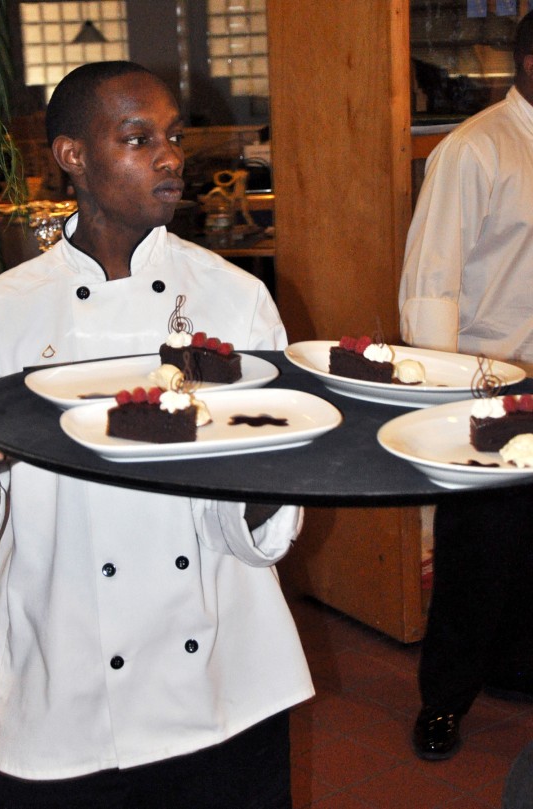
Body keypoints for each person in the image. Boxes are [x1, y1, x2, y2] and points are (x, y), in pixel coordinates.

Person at [0, 61, 314, 808]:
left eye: (174, 135)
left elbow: (271, 506)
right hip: (73, 685)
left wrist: (271, 461)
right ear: (73, 157)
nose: (170, 156)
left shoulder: (236, 299)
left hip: (226, 674)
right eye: (137, 137)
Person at [399, 12, 533, 761]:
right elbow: (432, 277)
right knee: (478, 552)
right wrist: (440, 402)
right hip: (489, 381)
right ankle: (443, 701)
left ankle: (517, 666)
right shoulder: (474, 149)